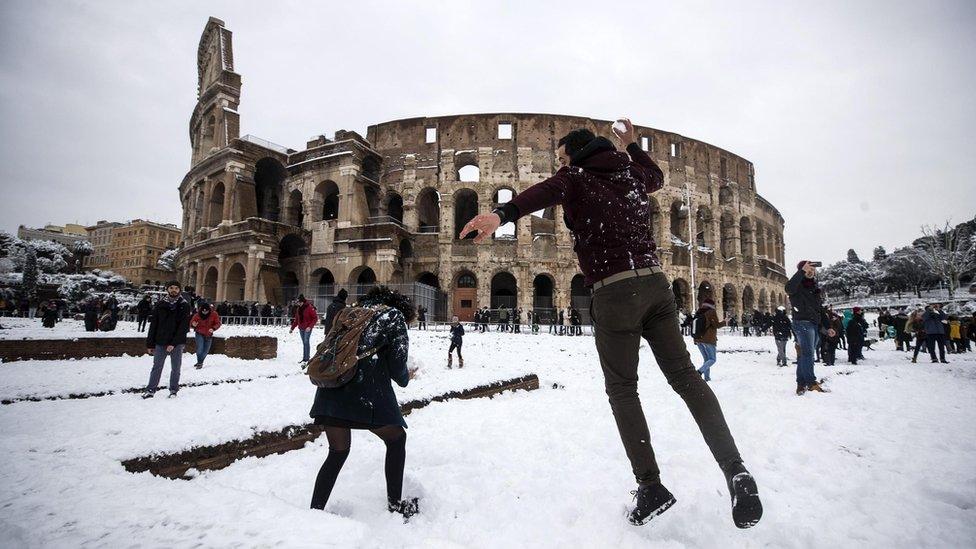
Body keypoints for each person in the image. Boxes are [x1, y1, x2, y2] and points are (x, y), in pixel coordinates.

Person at [459, 119, 761, 528]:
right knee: (687, 378)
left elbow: (542, 192)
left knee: (623, 389)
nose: (561, 164)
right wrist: (633, 146)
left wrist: (501, 214)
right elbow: (655, 175)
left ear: (575, 154)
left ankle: (651, 486)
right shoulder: (630, 173)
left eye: (563, 157)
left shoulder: (575, 176)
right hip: (656, 285)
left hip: (614, 289)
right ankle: (736, 470)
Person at [308, 286, 419, 519]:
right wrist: (407, 374)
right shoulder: (393, 316)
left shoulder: (349, 311)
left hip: (331, 388)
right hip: (365, 393)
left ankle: (314, 511)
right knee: (397, 439)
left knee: (337, 451)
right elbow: (399, 369)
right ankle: (395, 506)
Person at [786, 261, 829, 395]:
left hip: (813, 324)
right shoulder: (797, 287)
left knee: (803, 355)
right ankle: (810, 382)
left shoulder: (813, 287)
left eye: (813, 270)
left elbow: (819, 309)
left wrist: (827, 327)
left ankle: (801, 383)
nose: (811, 272)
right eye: (808, 270)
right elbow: (788, 288)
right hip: (802, 323)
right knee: (808, 354)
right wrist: (801, 271)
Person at [143, 281, 191, 398]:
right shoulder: (160, 304)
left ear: (179, 290)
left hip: (177, 342)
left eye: (176, 288)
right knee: (157, 367)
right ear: (167, 289)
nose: (173, 290)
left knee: (176, 368)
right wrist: (150, 344)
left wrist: (173, 343)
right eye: (171, 288)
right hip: (160, 341)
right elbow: (154, 325)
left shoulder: (184, 305)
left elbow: (183, 327)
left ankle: (173, 390)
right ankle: (150, 389)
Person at [692, 298, 724, 382]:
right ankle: (699, 371)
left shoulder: (699, 312)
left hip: (698, 339)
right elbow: (716, 325)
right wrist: (725, 322)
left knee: (707, 360)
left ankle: (707, 378)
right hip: (708, 340)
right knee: (712, 359)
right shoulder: (711, 312)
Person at [190, 301, 221, 369]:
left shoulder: (214, 314)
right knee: (200, 349)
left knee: (206, 351)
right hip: (199, 333)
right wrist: (193, 325)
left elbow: (218, 323)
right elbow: (191, 323)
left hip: (209, 334)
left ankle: (199, 362)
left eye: (206, 311)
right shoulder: (197, 315)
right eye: (203, 311)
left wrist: (213, 328)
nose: (204, 313)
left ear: (209, 310)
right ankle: (200, 363)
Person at [290, 294, 318, 365]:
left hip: (307, 328)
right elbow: (296, 320)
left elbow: (315, 318)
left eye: (299, 302)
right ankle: (305, 358)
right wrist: (292, 328)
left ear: (302, 302)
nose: (298, 304)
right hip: (301, 328)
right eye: (298, 302)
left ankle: (306, 359)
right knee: (304, 343)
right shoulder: (299, 309)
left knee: (306, 342)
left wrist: (310, 327)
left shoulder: (309, 307)